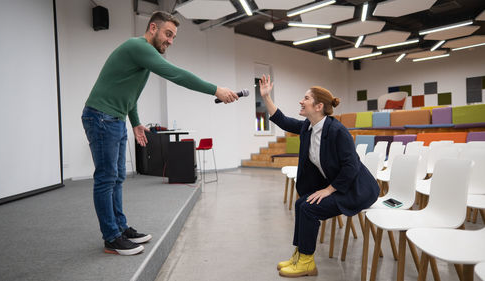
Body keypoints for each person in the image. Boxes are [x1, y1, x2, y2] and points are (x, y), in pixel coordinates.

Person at [81, 11, 239, 256]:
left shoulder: (144, 56)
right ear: (152, 28)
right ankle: (111, 237)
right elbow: (175, 74)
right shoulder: (138, 46)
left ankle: (120, 228)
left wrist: (135, 123)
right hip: (101, 116)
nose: (170, 41)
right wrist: (215, 89)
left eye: (173, 37)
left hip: (114, 118)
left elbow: (130, 95)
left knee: (118, 177)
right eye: (168, 34)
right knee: (106, 178)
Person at [258, 75, 379, 277]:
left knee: (309, 209)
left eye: (305, 98)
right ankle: (300, 254)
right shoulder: (308, 127)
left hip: (356, 189)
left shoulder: (338, 131)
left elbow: (351, 166)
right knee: (301, 204)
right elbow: (284, 121)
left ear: (318, 106)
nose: (301, 101)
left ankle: (307, 262)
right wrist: (266, 97)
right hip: (341, 186)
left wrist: (329, 190)